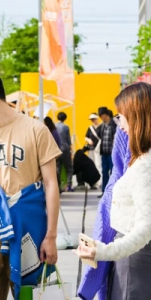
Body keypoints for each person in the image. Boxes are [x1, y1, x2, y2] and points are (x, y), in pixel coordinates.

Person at [0, 64, 62, 300]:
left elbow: (51, 185)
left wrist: (51, 236)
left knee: (28, 295)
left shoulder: (36, 130)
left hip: (28, 232)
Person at [75, 82, 151, 300]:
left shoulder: (145, 166)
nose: (120, 124)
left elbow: (145, 228)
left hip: (135, 258)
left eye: (121, 116)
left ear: (137, 118)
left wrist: (102, 251)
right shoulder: (142, 159)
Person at [96, 107, 117, 198]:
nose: (101, 118)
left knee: (113, 172)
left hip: (112, 154)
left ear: (106, 115)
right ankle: (104, 191)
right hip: (104, 153)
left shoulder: (114, 124)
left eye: (102, 116)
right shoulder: (102, 126)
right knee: (104, 172)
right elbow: (98, 135)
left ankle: (113, 191)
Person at [56, 111, 74, 192]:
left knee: (58, 168)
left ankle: (58, 186)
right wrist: (71, 151)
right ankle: (69, 186)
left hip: (57, 149)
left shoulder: (54, 126)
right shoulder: (66, 127)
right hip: (65, 149)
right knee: (69, 168)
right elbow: (68, 140)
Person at [44, 116, 61, 190]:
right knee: (55, 172)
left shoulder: (51, 131)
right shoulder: (54, 131)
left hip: (50, 154)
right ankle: (58, 187)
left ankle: (57, 187)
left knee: (53, 173)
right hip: (53, 154)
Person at [84, 113, 102, 186]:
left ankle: (100, 181)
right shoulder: (90, 128)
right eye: (91, 120)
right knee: (92, 164)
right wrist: (88, 140)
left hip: (99, 148)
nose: (92, 121)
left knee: (98, 164)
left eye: (93, 119)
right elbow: (86, 137)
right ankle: (93, 181)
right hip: (91, 148)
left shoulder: (101, 126)